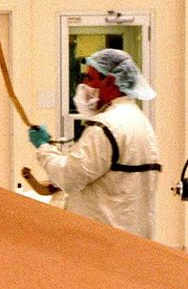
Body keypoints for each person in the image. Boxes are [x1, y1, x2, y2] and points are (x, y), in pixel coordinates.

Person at [27, 49, 161, 239]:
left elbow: (67, 177)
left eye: (90, 78)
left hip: (104, 241)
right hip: (135, 239)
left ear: (111, 81)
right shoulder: (141, 122)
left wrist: (43, 147)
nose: (84, 85)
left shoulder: (106, 126)